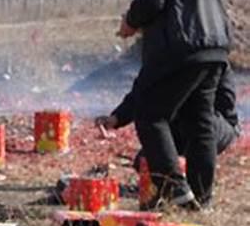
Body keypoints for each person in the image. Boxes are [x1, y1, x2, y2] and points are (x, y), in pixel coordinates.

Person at [114, 0, 232, 210]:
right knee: (199, 121)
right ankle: (202, 199)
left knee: (151, 115)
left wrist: (130, 22)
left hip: (182, 48)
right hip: (215, 47)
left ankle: (176, 189)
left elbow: (152, 0)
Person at [97, 64, 241, 171]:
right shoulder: (163, 59)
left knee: (200, 129)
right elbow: (141, 93)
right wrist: (116, 118)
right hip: (176, 126)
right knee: (145, 162)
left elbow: (226, 105)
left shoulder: (209, 59)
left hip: (212, 123)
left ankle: (197, 180)